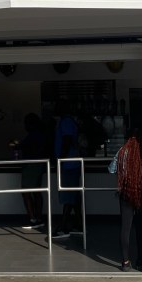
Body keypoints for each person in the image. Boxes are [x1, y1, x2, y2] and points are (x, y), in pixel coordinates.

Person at [113, 128, 142, 271]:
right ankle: (140, 260)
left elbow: (111, 168)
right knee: (141, 227)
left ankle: (125, 262)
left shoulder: (122, 151)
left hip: (126, 193)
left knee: (125, 228)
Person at [10, 113, 47, 229]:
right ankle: (38, 217)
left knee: (26, 192)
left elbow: (22, 146)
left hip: (31, 165)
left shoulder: (32, 135)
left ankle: (32, 219)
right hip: (40, 164)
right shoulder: (41, 134)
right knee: (37, 192)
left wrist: (15, 144)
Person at [54, 101, 81, 238]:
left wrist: (60, 160)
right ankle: (79, 224)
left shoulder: (65, 122)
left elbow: (66, 141)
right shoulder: (70, 122)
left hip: (68, 164)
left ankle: (62, 227)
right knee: (74, 195)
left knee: (68, 196)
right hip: (72, 163)